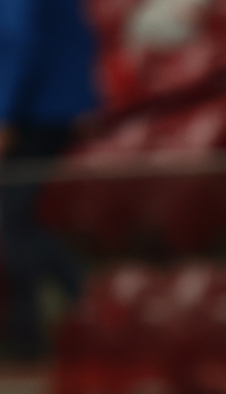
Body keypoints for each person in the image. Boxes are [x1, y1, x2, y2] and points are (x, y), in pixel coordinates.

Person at [0, 0, 96, 360]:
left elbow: (19, 40)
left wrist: (4, 113)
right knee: (19, 223)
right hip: (53, 108)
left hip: (34, 114)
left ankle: (82, 303)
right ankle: (83, 307)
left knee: (15, 225)